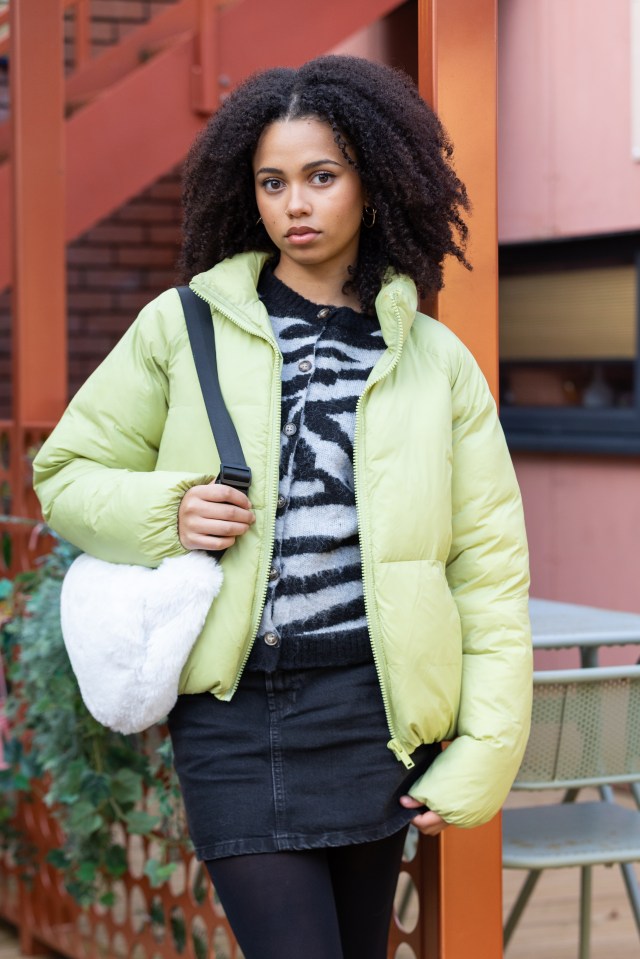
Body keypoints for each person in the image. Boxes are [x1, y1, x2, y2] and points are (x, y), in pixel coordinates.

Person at [33, 55, 532, 959]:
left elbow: (489, 573)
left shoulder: (436, 363)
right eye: (273, 182)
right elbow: (65, 474)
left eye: (321, 176)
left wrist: (486, 748)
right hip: (233, 716)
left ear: (373, 185)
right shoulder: (181, 325)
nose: (294, 204)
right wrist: (169, 510)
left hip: (375, 715)